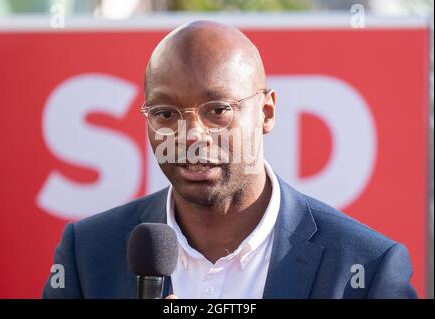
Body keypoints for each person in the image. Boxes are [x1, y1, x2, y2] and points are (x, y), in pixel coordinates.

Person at [43, 20, 417, 299]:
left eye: (218, 109)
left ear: (267, 113)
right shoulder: (87, 254)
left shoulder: (366, 267)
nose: (191, 134)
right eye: (166, 113)